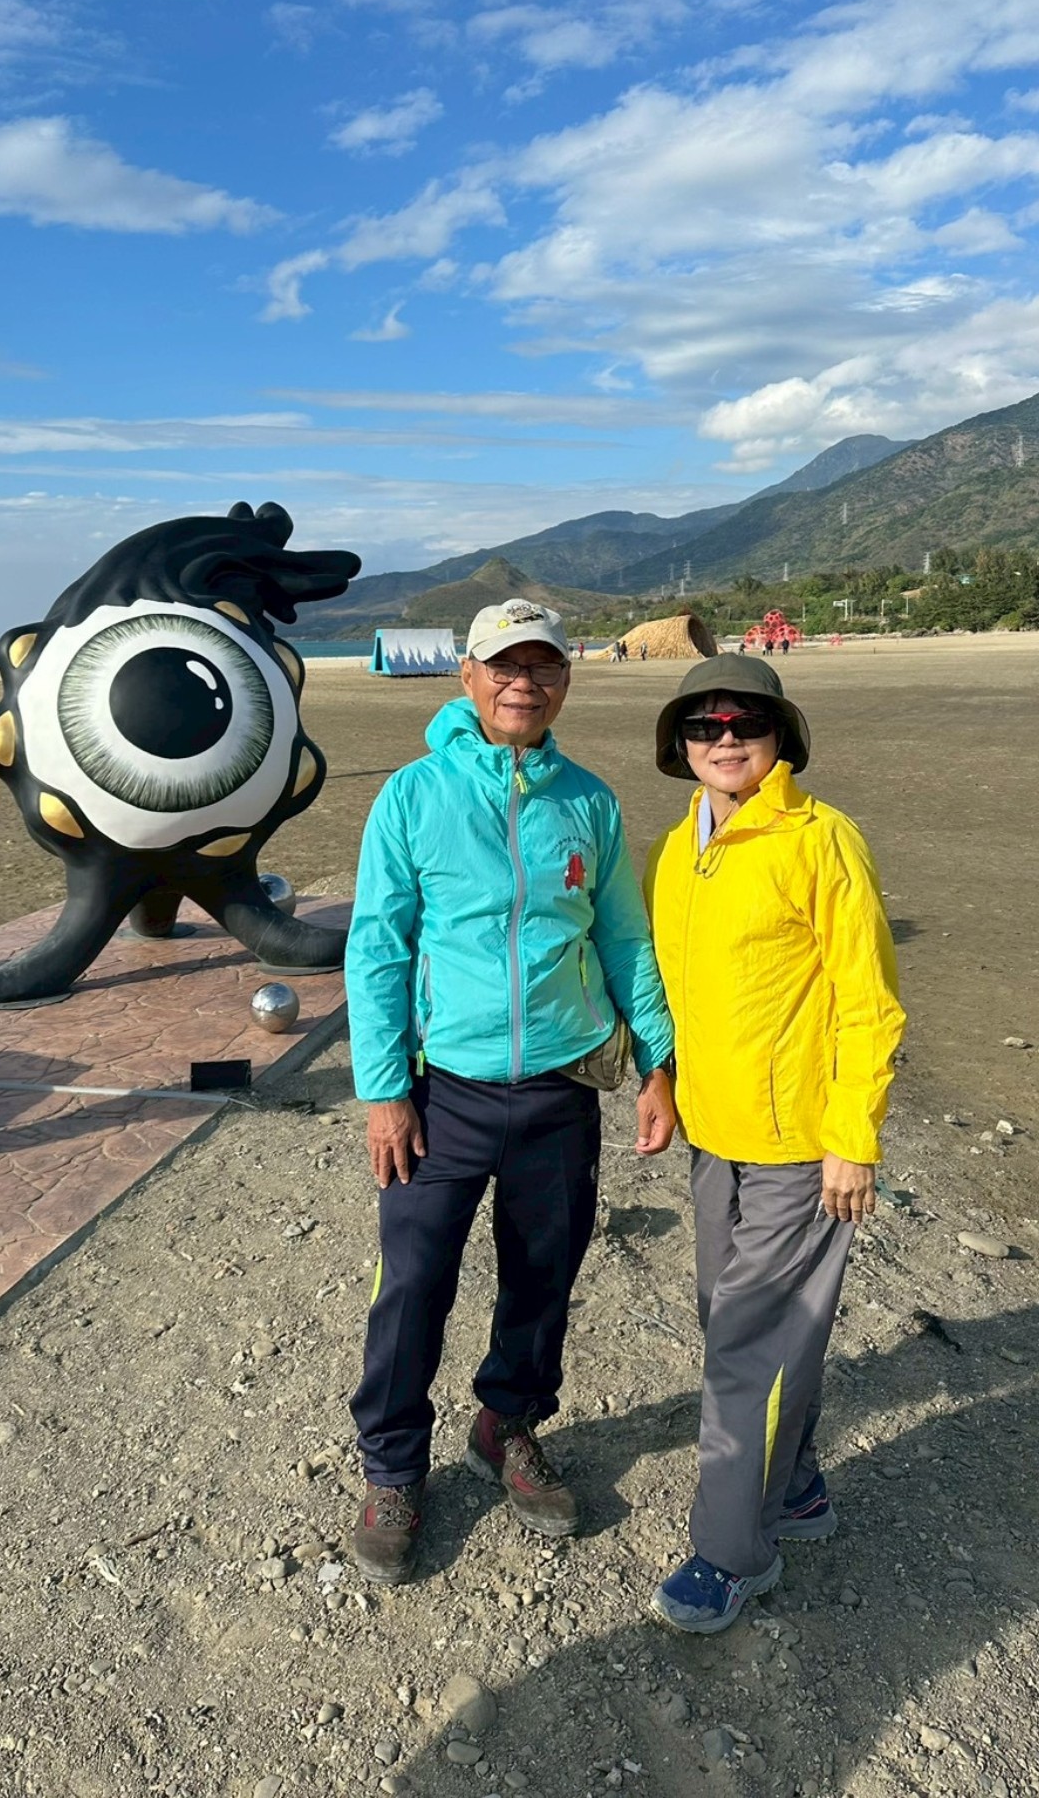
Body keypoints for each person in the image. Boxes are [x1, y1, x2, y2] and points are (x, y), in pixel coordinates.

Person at [345, 598, 677, 1584]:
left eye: (541, 666)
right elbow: (378, 945)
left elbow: (622, 937)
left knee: (543, 1273)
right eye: (504, 665)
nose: (522, 683)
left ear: (564, 679)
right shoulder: (414, 795)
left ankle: (507, 1423)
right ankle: (394, 1467)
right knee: (412, 1283)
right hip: (441, 1090)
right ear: (469, 677)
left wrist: (657, 1064)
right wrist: (382, 1090)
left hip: (561, 1085)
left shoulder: (589, 801)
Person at [643, 654, 904, 1633]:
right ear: (679, 743)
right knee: (733, 1320)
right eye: (703, 724)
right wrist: (660, 1084)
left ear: (780, 735)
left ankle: (731, 1552)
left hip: (801, 1144)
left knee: (746, 1345)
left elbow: (869, 1002)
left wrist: (852, 1137)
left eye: (745, 722)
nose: (724, 739)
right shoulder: (678, 849)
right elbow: (672, 989)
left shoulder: (821, 839)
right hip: (715, 1135)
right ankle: (793, 1487)